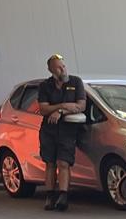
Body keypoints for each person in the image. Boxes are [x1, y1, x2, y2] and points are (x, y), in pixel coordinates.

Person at [37, 54, 88, 211]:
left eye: (63, 66)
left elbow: (80, 106)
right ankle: (50, 196)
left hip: (68, 130)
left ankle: (63, 196)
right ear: (51, 70)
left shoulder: (75, 82)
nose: (63, 69)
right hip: (49, 130)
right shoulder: (45, 86)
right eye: (59, 67)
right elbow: (43, 108)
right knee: (50, 163)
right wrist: (65, 105)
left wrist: (60, 110)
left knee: (64, 162)